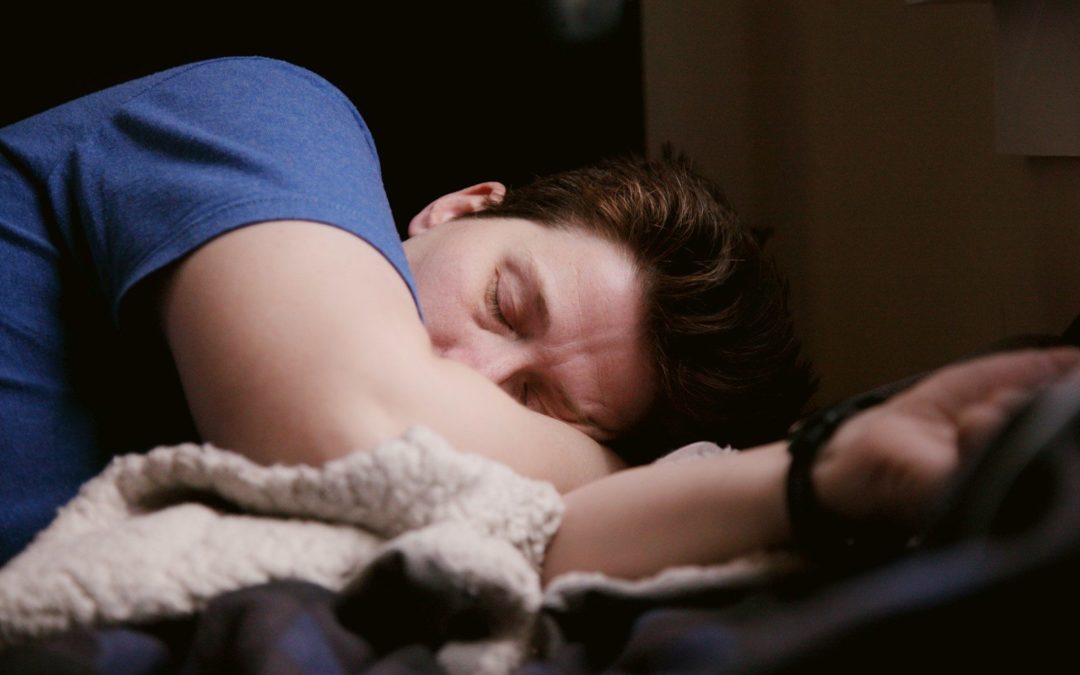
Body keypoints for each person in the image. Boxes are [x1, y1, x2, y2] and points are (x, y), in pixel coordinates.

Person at [1, 57, 1076, 580]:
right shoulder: (270, 115)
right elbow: (359, 437)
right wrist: (642, 467)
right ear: (460, 208)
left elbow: (516, 523)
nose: (464, 374)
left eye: (536, 404)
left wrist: (836, 472)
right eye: (503, 303)